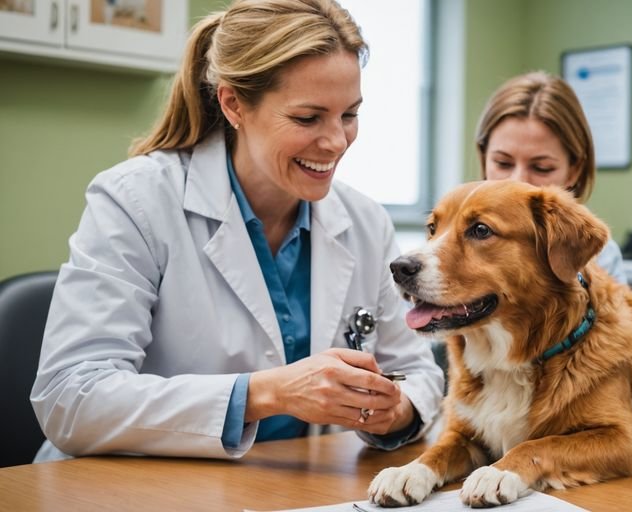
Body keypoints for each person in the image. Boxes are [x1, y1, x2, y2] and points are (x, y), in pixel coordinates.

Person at [30, 0, 443, 461]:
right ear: (233, 105)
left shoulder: (365, 221)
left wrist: (395, 412)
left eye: (349, 114)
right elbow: (71, 397)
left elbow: (417, 373)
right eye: (308, 118)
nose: (336, 141)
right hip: (125, 486)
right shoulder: (135, 200)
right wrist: (265, 394)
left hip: (288, 485)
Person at [475, 71, 627, 283]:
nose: (517, 182)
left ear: (574, 170)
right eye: (503, 163)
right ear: (484, 159)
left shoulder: (601, 256)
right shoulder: (447, 240)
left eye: (541, 167)